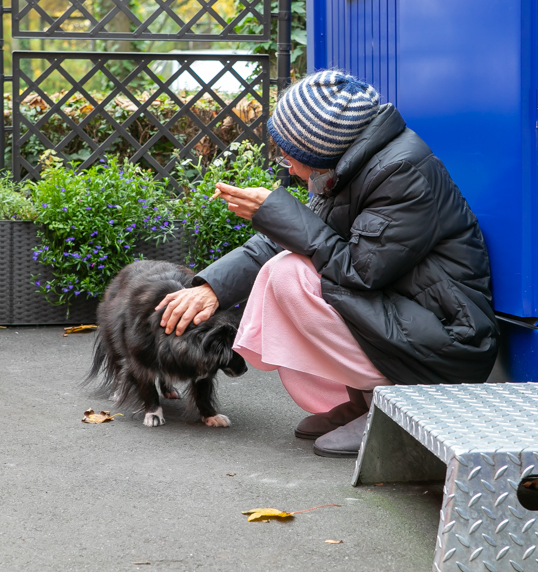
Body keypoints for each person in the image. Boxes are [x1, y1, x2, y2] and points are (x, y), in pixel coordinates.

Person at [156, 70, 499, 457]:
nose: (285, 165)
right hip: (416, 319)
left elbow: (359, 272)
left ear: (320, 147)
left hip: (451, 340)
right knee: (287, 267)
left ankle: (392, 402)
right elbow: (289, 241)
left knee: (290, 275)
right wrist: (211, 288)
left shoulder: (402, 172)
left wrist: (277, 212)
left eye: (288, 153)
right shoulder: (349, 167)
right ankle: (363, 398)